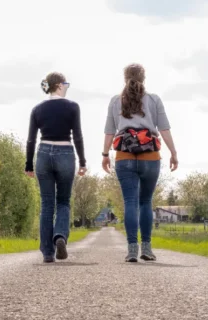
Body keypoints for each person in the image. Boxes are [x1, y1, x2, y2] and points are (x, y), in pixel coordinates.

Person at [101, 63, 178, 262]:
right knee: (145, 202)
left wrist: (104, 154)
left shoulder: (115, 101)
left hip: (124, 156)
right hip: (150, 156)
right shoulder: (154, 100)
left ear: (124, 78)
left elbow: (110, 131)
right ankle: (147, 249)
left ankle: (132, 250)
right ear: (144, 78)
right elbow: (164, 129)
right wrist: (173, 152)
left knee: (130, 202)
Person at [25, 72, 87, 263]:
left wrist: (28, 164)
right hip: (65, 153)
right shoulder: (72, 107)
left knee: (46, 204)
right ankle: (60, 236)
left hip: (43, 153)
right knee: (63, 201)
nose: (67, 87)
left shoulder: (37, 109)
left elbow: (31, 139)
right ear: (59, 85)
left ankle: (47, 252)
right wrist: (83, 161)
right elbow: (77, 136)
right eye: (66, 84)